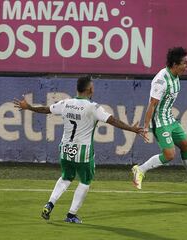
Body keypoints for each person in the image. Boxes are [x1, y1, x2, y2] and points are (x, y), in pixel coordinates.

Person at [13, 76, 146, 223]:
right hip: (83, 152)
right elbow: (113, 120)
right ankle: (71, 215)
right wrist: (132, 129)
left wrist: (28, 107)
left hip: (65, 148)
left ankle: (49, 204)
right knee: (85, 181)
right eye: (93, 86)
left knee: (66, 177)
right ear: (90, 89)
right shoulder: (93, 107)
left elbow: (46, 109)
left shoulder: (66, 103)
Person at [131, 47, 187, 190]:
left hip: (169, 119)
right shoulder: (161, 81)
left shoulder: (175, 77)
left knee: (186, 145)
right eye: (185, 63)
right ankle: (140, 170)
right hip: (159, 122)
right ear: (175, 65)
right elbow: (152, 104)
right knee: (169, 155)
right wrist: (146, 127)